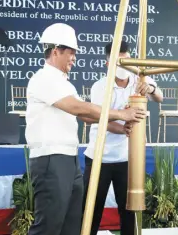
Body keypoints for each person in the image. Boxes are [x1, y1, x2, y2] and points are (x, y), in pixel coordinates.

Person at [25, 23, 146, 235]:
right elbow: (77, 107)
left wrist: (121, 123)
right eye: (71, 53)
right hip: (50, 159)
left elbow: (85, 116)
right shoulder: (43, 79)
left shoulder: (65, 84)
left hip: (69, 158)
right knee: (49, 225)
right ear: (55, 51)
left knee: (72, 224)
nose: (74, 58)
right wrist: (120, 114)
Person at [82, 41, 163, 235]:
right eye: (118, 62)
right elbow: (97, 119)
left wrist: (150, 89)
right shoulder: (100, 87)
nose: (123, 67)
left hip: (127, 159)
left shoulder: (138, 80)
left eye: (126, 61)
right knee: (91, 210)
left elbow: (159, 97)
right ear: (108, 64)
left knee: (129, 212)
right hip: (99, 157)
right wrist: (124, 129)